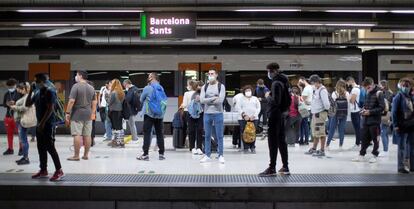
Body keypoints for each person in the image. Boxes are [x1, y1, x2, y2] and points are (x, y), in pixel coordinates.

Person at [26, 73, 63, 181]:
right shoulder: (37, 91)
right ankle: (43, 170)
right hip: (40, 125)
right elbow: (27, 104)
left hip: (48, 125)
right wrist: (30, 92)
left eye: (36, 81)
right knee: (41, 148)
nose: (34, 83)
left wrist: (42, 123)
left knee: (50, 147)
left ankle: (59, 170)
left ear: (42, 81)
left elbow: (50, 109)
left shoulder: (50, 91)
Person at [259, 62, 291, 176]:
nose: (268, 74)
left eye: (268, 71)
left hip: (275, 115)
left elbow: (275, 101)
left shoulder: (276, 83)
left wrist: (268, 96)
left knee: (272, 142)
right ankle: (285, 166)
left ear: (272, 71)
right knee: (282, 141)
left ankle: (272, 168)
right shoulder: (284, 81)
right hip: (282, 114)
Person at [352, 77, 385, 163]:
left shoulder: (379, 93)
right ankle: (361, 154)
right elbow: (366, 105)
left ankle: (375, 154)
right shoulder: (368, 92)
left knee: (375, 139)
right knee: (364, 138)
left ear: (372, 85)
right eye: (365, 88)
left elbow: (382, 107)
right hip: (366, 120)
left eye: (368, 87)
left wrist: (370, 112)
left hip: (375, 121)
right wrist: (363, 110)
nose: (367, 89)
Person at [66, 71, 96, 161]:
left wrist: (67, 113)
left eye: (77, 75)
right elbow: (94, 102)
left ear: (80, 76)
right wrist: (93, 113)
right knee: (87, 135)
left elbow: (71, 101)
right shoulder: (91, 88)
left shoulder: (76, 86)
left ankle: (76, 155)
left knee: (77, 134)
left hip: (77, 114)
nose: (76, 76)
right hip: (88, 114)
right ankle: (86, 155)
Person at [137, 73, 167, 161]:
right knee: (160, 134)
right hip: (159, 115)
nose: (148, 79)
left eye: (149, 77)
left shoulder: (147, 88)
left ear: (152, 78)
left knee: (147, 134)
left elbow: (141, 99)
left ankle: (145, 154)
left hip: (149, 114)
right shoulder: (161, 88)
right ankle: (161, 154)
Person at [199, 69, 226, 164]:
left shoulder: (221, 86)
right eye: (209, 74)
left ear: (216, 75)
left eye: (212, 74)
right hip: (207, 113)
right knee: (207, 135)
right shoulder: (204, 87)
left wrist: (208, 99)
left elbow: (220, 100)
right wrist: (214, 98)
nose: (210, 75)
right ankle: (207, 155)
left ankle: (221, 155)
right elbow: (201, 100)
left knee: (219, 135)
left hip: (218, 113)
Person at [304, 74, 330, 157]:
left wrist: (321, 110)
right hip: (315, 114)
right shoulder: (317, 89)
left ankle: (322, 150)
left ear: (317, 82)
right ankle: (314, 148)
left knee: (321, 132)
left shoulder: (323, 90)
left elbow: (326, 104)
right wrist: (311, 103)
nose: (312, 85)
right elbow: (317, 101)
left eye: (313, 83)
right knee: (315, 132)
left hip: (320, 114)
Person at [392, 78, 414, 173]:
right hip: (401, 126)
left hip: (411, 125)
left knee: (411, 146)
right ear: (401, 86)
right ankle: (401, 167)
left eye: (407, 86)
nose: (406, 87)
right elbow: (394, 112)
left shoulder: (410, 97)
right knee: (402, 147)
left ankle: (412, 166)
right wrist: (395, 125)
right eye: (404, 86)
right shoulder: (398, 96)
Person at [11, 82, 36, 165]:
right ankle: (25, 156)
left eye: (22, 89)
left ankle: (26, 158)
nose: (20, 91)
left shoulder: (29, 95)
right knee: (23, 139)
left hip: (25, 120)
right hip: (23, 119)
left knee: (23, 140)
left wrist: (15, 107)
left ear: (26, 89)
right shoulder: (27, 95)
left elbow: (25, 107)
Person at [326, 79, 350, 150]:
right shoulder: (347, 93)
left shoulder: (334, 93)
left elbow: (332, 104)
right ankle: (340, 146)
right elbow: (348, 104)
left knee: (331, 129)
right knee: (341, 130)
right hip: (344, 113)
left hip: (335, 113)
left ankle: (327, 145)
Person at [237, 85, 261, 153]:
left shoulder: (255, 99)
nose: (248, 92)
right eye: (246, 91)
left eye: (249, 90)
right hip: (243, 119)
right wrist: (244, 115)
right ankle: (245, 147)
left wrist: (254, 115)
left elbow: (258, 108)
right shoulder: (240, 99)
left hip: (254, 118)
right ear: (244, 92)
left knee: (253, 132)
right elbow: (238, 107)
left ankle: (252, 147)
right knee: (244, 133)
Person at [3, 78, 21, 155]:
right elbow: (4, 104)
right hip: (8, 116)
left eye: (12, 86)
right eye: (9, 86)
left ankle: (21, 149)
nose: (11, 88)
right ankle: (10, 149)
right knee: (9, 134)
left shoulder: (19, 93)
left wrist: (15, 103)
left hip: (17, 117)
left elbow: (23, 104)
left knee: (20, 134)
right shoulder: (6, 94)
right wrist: (7, 104)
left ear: (15, 85)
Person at [186, 80, 204, 155]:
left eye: (201, 86)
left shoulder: (204, 94)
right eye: (198, 86)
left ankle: (199, 147)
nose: (199, 87)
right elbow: (187, 104)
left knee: (200, 130)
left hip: (200, 114)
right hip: (191, 114)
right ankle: (192, 147)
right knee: (191, 131)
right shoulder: (190, 94)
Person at [108, 79, 125, 148]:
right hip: (120, 111)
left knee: (115, 127)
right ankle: (121, 142)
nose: (111, 84)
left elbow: (109, 102)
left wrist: (108, 94)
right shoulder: (122, 93)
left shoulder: (113, 93)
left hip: (114, 112)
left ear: (114, 84)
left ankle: (117, 143)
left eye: (111, 83)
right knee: (120, 127)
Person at [180, 80, 197, 149]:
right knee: (196, 129)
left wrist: (181, 106)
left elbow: (185, 104)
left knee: (189, 129)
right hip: (196, 112)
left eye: (188, 85)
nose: (187, 86)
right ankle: (197, 145)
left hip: (188, 112)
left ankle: (191, 146)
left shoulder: (186, 93)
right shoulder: (197, 93)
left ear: (190, 86)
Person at [346, 76, 362, 150]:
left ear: (351, 81)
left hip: (355, 111)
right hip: (357, 110)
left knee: (357, 128)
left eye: (348, 82)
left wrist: (348, 97)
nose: (347, 84)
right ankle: (359, 142)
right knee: (358, 127)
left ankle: (357, 143)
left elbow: (352, 100)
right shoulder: (358, 88)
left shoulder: (355, 89)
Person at [379, 80, 393, 157]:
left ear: (383, 85)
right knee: (385, 133)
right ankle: (386, 149)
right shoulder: (389, 92)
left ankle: (385, 150)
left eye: (380, 85)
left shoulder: (387, 93)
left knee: (383, 133)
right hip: (387, 114)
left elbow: (386, 104)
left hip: (385, 115)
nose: (379, 86)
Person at [298, 77, 312, 145]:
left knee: (303, 125)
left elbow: (302, 99)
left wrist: (298, 97)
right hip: (308, 108)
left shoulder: (306, 88)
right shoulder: (310, 87)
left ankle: (303, 139)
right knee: (305, 124)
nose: (299, 83)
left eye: (300, 81)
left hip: (304, 108)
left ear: (303, 80)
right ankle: (305, 140)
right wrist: (300, 89)